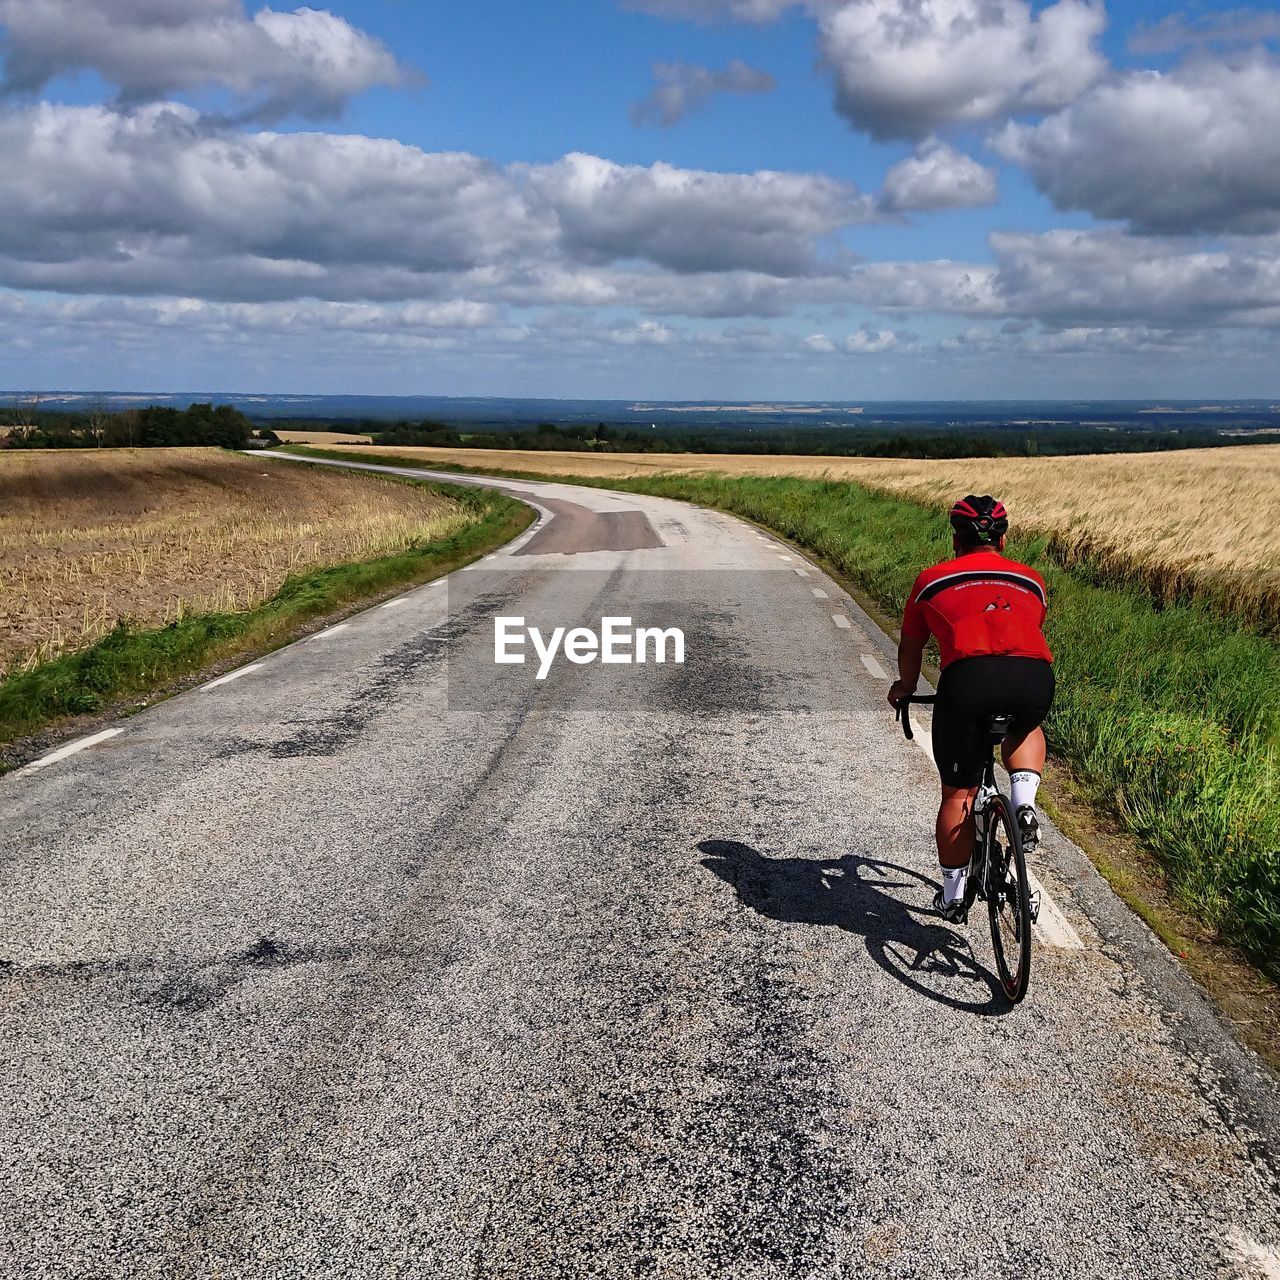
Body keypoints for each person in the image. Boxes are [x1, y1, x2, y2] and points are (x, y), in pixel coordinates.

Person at [887, 496, 1055, 923]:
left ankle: (954, 895)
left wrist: (905, 688)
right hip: (1032, 677)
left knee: (958, 793)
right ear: (1002, 537)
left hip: (968, 681)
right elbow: (1026, 628)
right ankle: (1023, 802)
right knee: (1025, 725)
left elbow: (912, 644)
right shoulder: (1032, 580)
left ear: (955, 538)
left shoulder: (931, 581)